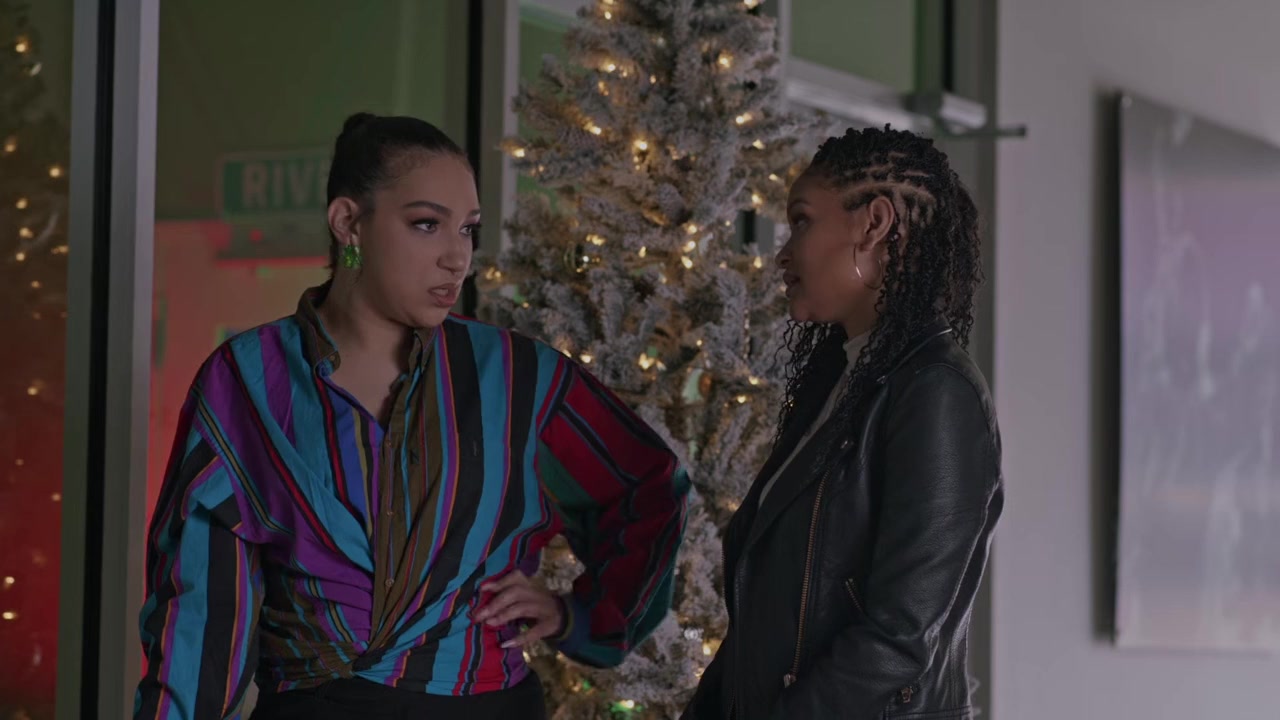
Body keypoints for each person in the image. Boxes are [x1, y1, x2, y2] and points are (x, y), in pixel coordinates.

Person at [135, 113, 690, 720]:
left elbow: (648, 484)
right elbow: (198, 609)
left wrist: (578, 615)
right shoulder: (247, 382)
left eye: (469, 229)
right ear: (348, 222)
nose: (458, 257)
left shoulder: (517, 377)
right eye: (427, 224)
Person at [684, 126, 1003, 720]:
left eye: (802, 221)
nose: (783, 253)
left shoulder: (936, 391)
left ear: (874, 224)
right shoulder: (839, 383)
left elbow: (899, 636)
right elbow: (763, 622)